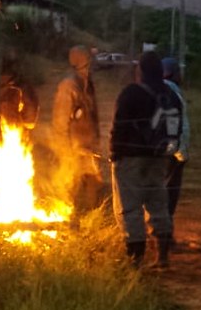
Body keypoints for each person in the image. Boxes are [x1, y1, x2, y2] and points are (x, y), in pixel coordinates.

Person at [109, 51, 181, 269]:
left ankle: (135, 260)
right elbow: (176, 129)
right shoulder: (171, 95)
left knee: (131, 208)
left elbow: (119, 126)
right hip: (160, 159)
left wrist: (114, 153)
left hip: (131, 159)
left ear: (140, 70)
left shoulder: (131, 93)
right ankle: (163, 257)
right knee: (159, 205)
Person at [52, 45, 103, 223]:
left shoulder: (87, 85)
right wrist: (66, 152)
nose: (94, 64)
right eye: (91, 60)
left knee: (93, 184)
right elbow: (60, 122)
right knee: (70, 186)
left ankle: (89, 220)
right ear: (84, 63)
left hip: (87, 147)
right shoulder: (69, 86)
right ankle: (69, 222)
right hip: (74, 148)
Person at [161, 57, 190, 230]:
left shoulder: (167, 89)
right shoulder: (170, 90)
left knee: (165, 191)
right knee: (169, 192)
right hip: (172, 151)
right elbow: (175, 122)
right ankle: (163, 233)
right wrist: (178, 150)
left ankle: (161, 231)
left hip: (167, 149)